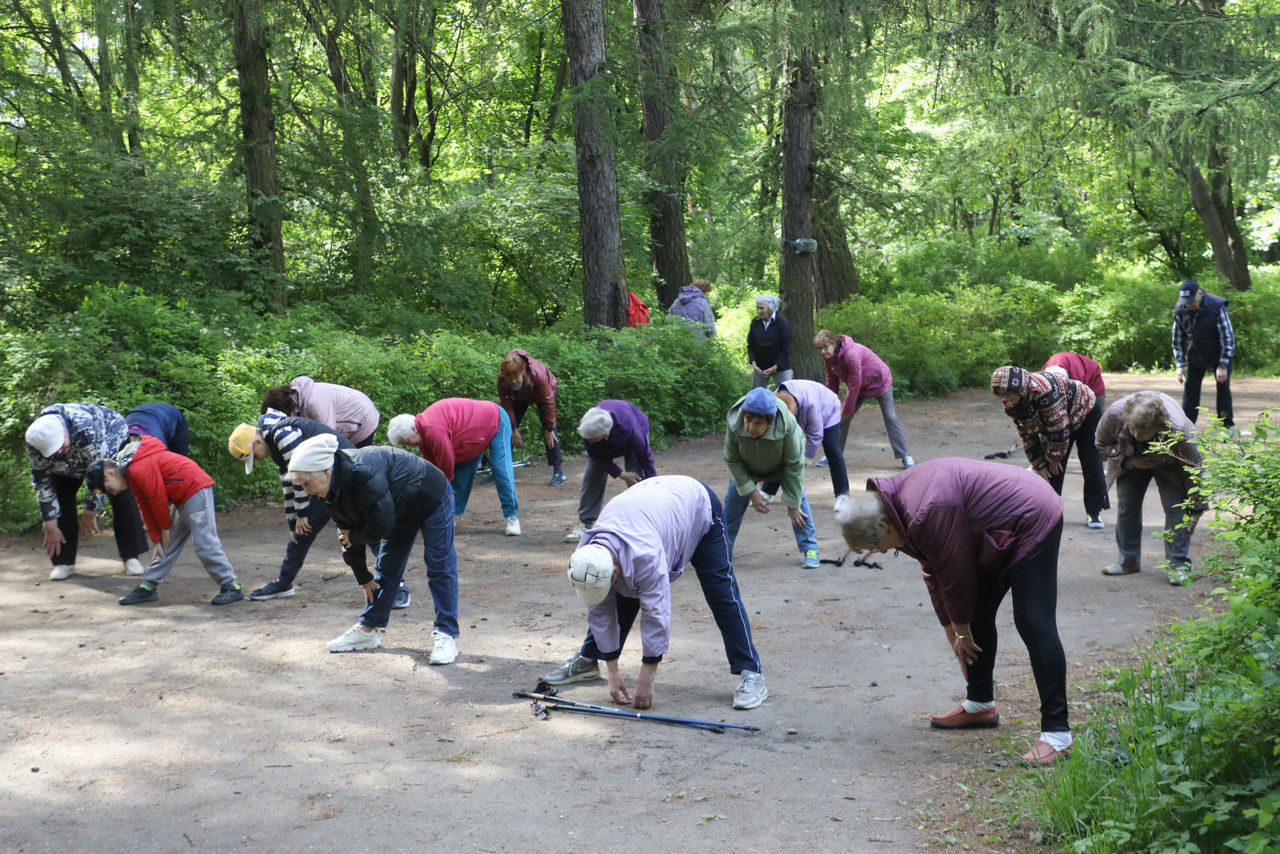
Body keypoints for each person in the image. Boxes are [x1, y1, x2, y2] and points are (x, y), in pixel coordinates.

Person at [835, 457, 1071, 766]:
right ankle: (980, 704)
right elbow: (935, 574)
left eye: (874, 545)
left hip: (1031, 514)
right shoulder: (895, 512)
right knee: (974, 613)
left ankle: (1057, 735)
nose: (879, 552)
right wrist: (954, 634)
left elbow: (956, 574)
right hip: (992, 528)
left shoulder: (925, 510)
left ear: (881, 526)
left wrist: (962, 631)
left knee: (1032, 620)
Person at [545, 475, 767, 711]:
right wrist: (612, 670)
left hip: (697, 505)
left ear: (614, 570)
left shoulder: (646, 557)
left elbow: (656, 613)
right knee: (621, 590)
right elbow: (599, 610)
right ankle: (590, 660)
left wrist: (647, 674)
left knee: (721, 593)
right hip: (652, 506)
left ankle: (751, 672)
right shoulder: (588, 554)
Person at [287, 434, 460, 662]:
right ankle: (368, 630)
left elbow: (381, 526)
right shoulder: (329, 490)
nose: (307, 490)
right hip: (397, 506)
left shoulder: (363, 473)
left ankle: (446, 634)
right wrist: (363, 577)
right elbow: (346, 533)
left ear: (327, 471)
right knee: (386, 567)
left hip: (431, 498)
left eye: (307, 483)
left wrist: (354, 536)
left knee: (439, 563)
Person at [227, 413, 412, 607]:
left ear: (256, 442)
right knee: (301, 531)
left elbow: (299, 474)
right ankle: (284, 582)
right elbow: (289, 485)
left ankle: (398, 587)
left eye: (254, 456)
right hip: (323, 481)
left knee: (366, 533)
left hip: (347, 477)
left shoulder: (282, 435)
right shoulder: (274, 444)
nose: (258, 460)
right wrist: (294, 521)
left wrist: (302, 514)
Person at [86, 438, 243, 607]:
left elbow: (157, 497)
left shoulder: (138, 468)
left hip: (195, 489)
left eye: (109, 488)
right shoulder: (131, 473)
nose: (113, 493)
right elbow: (144, 504)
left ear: (109, 473)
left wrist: (165, 527)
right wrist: (156, 538)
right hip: (181, 497)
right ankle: (148, 587)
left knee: (204, 542)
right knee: (166, 544)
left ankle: (231, 586)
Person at [25, 403, 148, 581]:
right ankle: (64, 562)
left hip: (109, 441)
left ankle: (131, 557)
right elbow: (42, 483)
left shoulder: (86, 427)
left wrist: (91, 511)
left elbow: (101, 470)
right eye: (53, 451)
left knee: (120, 492)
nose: (59, 451)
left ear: (64, 433)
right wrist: (49, 522)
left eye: (60, 445)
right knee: (60, 496)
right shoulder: (36, 439)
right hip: (71, 462)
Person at [1095, 391, 1204, 584]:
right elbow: (1101, 444)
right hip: (1130, 458)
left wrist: (1196, 505)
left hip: (1170, 461)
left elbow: (1194, 468)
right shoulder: (1114, 415)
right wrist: (1130, 461)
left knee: (1176, 508)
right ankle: (1127, 562)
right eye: (1133, 429)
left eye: (1142, 431)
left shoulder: (1179, 429)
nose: (1136, 434)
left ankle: (1178, 568)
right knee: (1127, 506)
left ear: (1158, 426)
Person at [991, 366, 1108, 529]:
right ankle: (1050, 512)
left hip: (1085, 409)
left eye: (1008, 394)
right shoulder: (1010, 404)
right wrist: (1038, 464)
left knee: (1088, 457)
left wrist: (1054, 457)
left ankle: (1094, 512)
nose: (1006, 399)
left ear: (1019, 388)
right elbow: (1027, 434)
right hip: (1059, 419)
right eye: (1002, 396)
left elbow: (1059, 428)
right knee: (1048, 469)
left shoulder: (1044, 391)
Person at [388, 398, 521, 536]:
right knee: (460, 476)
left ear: (413, 429)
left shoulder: (432, 429)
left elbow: (446, 462)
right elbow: (431, 470)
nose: (409, 447)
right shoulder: (422, 435)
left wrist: (443, 487)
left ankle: (512, 517)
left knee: (501, 469)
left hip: (495, 419)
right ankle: (448, 517)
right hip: (469, 437)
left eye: (406, 442)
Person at [723, 387, 820, 568]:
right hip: (747, 469)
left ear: (770, 422)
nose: (751, 427)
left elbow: (794, 467)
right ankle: (721, 552)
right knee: (730, 510)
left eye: (758, 423)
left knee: (799, 507)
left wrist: (793, 504)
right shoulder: (735, 423)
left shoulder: (788, 427)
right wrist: (751, 492)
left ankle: (810, 548)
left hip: (782, 468)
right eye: (748, 419)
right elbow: (732, 459)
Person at [813, 329, 915, 469]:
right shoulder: (828, 358)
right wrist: (830, 406)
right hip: (860, 386)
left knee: (890, 416)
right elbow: (832, 383)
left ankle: (905, 455)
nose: (823, 352)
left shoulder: (851, 355)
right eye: (820, 349)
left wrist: (845, 410)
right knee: (841, 417)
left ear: (834, 343)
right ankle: (834, 454)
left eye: (825, 347)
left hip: (880, 382)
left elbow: (854, 386)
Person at [564, 401, 658, 543]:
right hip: (604, 439)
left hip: (634, 430)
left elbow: (646, 457)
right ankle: (586, 523)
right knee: (592, 474)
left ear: (605, 435)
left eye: (591, 439)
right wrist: (621, 474)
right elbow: (596, 458)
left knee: (636, 478)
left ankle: (642, 522)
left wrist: (653, 484)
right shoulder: (587, 427)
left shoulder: (630, 430)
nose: (587, 441)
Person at [1172, 279, 1235, 427]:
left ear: (1200, 293)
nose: (1189, 304)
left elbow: (1228, 337)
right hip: (1196, 352)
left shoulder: (1216, 306)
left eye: (1191, 300)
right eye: (1185, 301)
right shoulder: (1181, 309)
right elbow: (1177, 339)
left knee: (1223, 389)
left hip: (1219, 352)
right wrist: (1180, 364)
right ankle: (1186, 428)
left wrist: (1223, 364)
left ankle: (1226, 427)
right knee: (1190, 391)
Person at [497, 349, 566, 486]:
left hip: (545, 395)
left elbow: (548, 401)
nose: (513, 382)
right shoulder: (503, 379)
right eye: (509, 379)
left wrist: (549, 428)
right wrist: (514, 429)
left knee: (550, 431)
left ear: (523, 372)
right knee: (504, 427)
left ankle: (559, 472)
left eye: (516, 378)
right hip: (519, 397)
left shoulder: (537, 374)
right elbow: (506, 405)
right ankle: (500, 470)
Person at [775, 379, 848, 500]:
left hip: (828, 407)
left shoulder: (810, 404)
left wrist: (806, 458)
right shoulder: (774, 400)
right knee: (782, 451)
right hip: (804, 405)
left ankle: (842, 495)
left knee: (831, 447)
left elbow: (816, 434)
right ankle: (768, 491)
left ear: (793, 407)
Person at [261, 376, 380, 446]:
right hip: (350, 418)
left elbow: (328, 439)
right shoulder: (298, 402)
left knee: (356, 465)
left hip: (362, 418)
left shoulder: (314, 403)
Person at [746, 294, 793, 389]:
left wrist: (775, 367)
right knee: (757, 396)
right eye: (757, 308)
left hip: (781, 367)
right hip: (760, 368)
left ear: (771, 309)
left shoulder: (783, 323)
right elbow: (750, 345)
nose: (759, 311)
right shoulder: (755, 322)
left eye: (762, 308)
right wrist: (754, 364)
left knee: (785, 395)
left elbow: (786, 349)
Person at [123, 402, 191, 456]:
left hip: (172, 416)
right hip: (148, 415)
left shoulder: (157, 442)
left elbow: (165, 461)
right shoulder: (120, 437)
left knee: (178, 460)